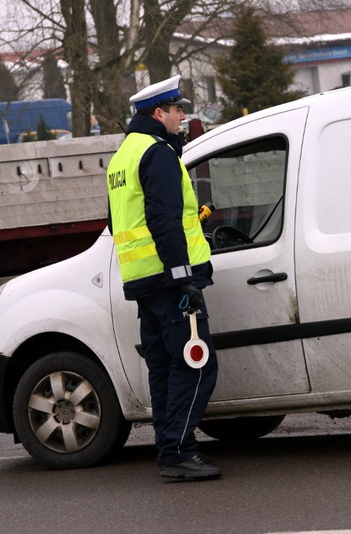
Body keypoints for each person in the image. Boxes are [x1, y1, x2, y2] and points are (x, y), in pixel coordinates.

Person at [106, 75, 220, 480]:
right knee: (196, 366)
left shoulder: (123, 157)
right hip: (169, 281)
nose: (182, 116)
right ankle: (177, 452)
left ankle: (168, 447)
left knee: (164, 368)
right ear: (159, 113)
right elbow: (163, 219)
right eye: (177, 110)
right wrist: (183, 276)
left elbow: (120, 221)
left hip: (142, 281)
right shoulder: (157, 153)